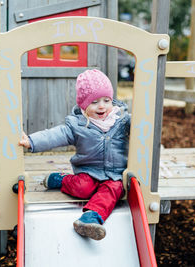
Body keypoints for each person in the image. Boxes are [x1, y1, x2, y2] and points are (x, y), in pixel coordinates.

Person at [19, 69, 131, 241]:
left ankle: (89, 219)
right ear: (83, 105)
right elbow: (54, 135)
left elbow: (143, 126)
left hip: (115, 174)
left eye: (106, 100)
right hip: (88, 171)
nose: (101, 106)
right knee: (82, 188)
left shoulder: (122, 120)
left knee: (114, 190)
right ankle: (61, 180)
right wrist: (32, 141)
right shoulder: (78, 125)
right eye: (94, 102)